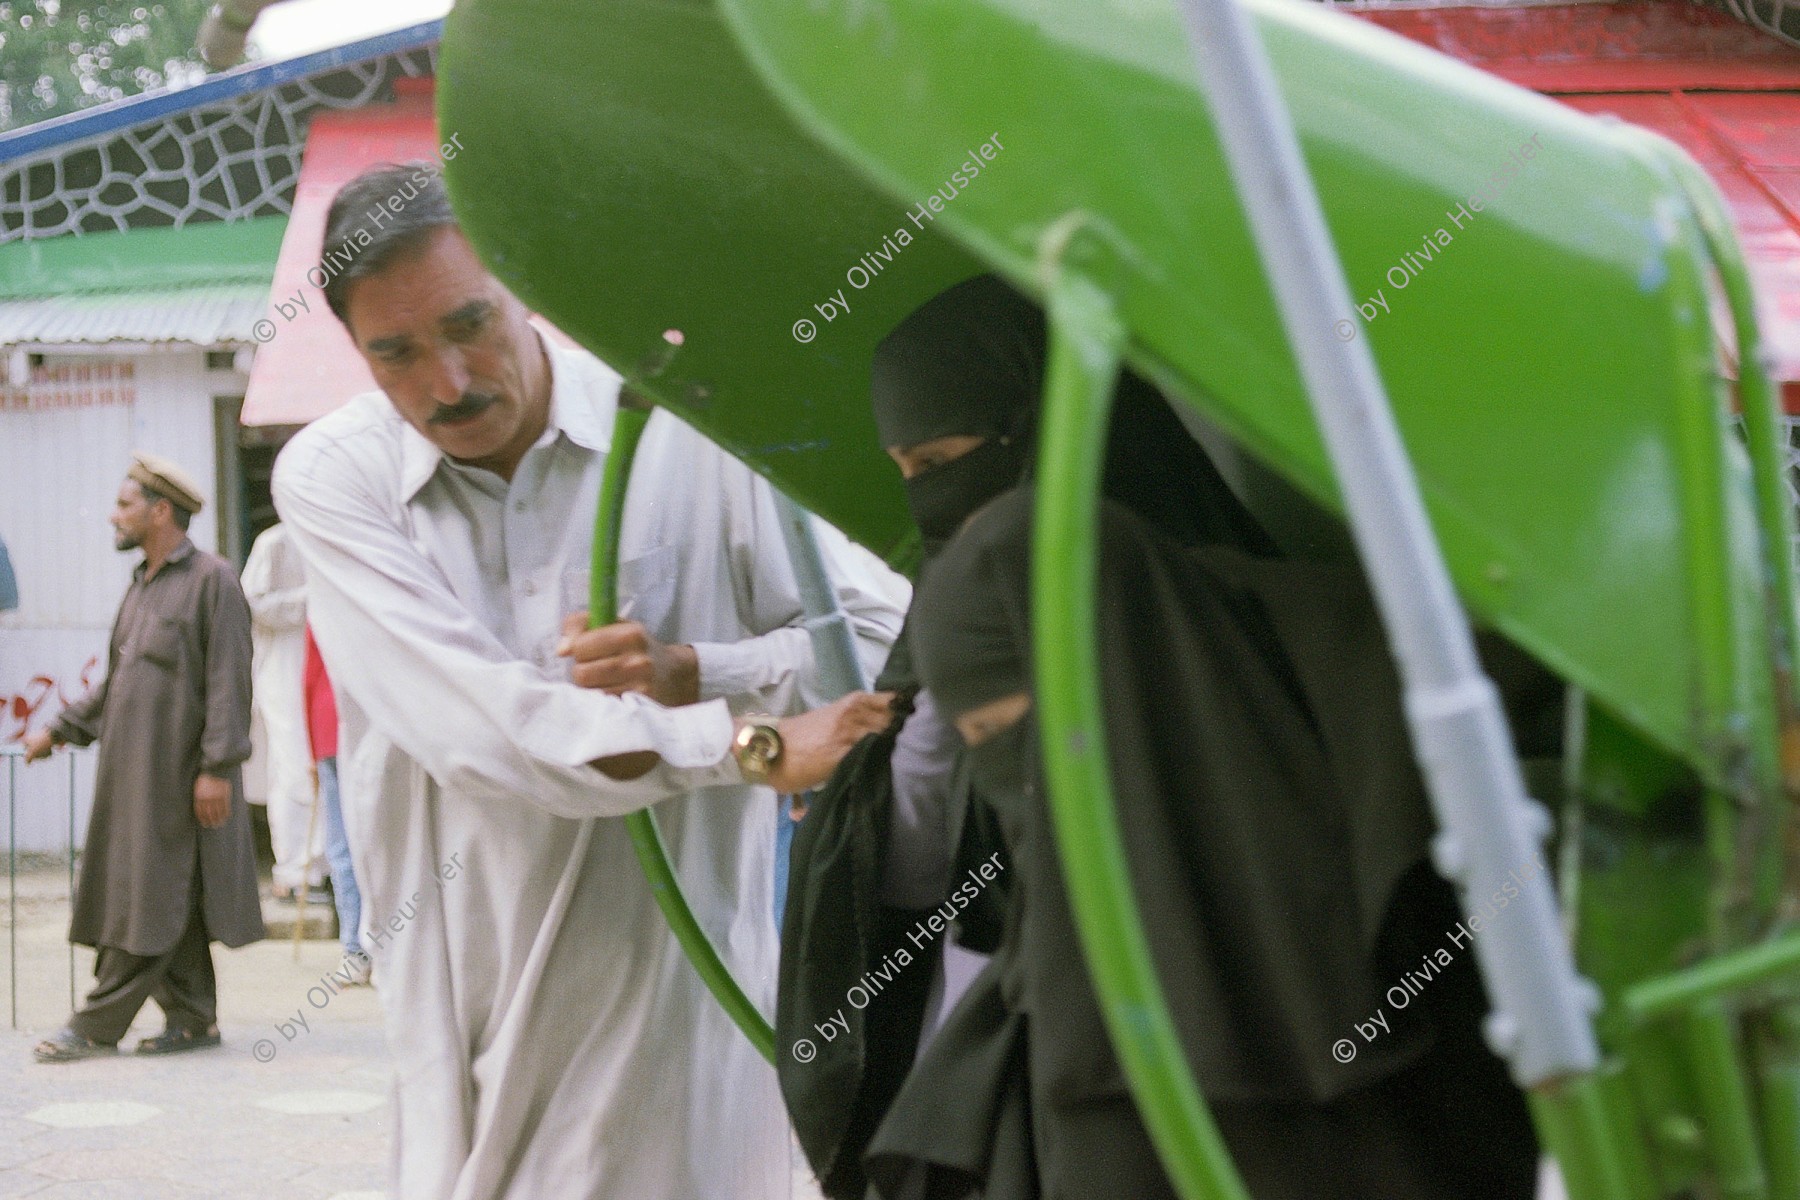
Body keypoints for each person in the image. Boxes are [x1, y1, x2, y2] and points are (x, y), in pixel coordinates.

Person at [271, 162, 907, 1200]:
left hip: (672, 1003)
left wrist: (700, 668)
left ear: (523, 285)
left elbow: (882, 646)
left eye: (471, 322)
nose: (449, 382)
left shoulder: (680, 430)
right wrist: (743, 743)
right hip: (467, 991)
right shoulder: (338, 479)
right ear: (353, 350)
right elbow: (480, 730)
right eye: (396, 353)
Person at [777, 274, 1278, 1199]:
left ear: (1035, 428)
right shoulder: (1239, 590)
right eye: (905, 475)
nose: (929, 504)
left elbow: (912, 863)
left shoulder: (978, 610)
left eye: (939, 464)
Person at [23, 453, 265, 1062]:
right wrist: (60, 729)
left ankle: (94, 1024)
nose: (114, 515)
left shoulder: (213, 581)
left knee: (149, 896)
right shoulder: (142, 586)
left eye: (124, 504)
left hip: (180, 779)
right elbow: (119, 684)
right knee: (162, 893)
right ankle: (193, 1019)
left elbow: (229, 682)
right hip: (131, 777)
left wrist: (217, 769)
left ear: (161, 512)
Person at [241, 522, 327, 902]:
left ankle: (320, 869)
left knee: (322, 765)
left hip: (324, 666)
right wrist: (315, 597)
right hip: (284, 666)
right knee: (293, 768)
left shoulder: (330, 534)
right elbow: (256, 604)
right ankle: (295, 871)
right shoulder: (274, 542)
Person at [305, 624, 367, 982]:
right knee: (373, 842)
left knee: (342, 844)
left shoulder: (322, 595)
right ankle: (376, 948)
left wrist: (312, 751)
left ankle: (354, 949)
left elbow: (309, 677)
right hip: (373, 723)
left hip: (329, 723)